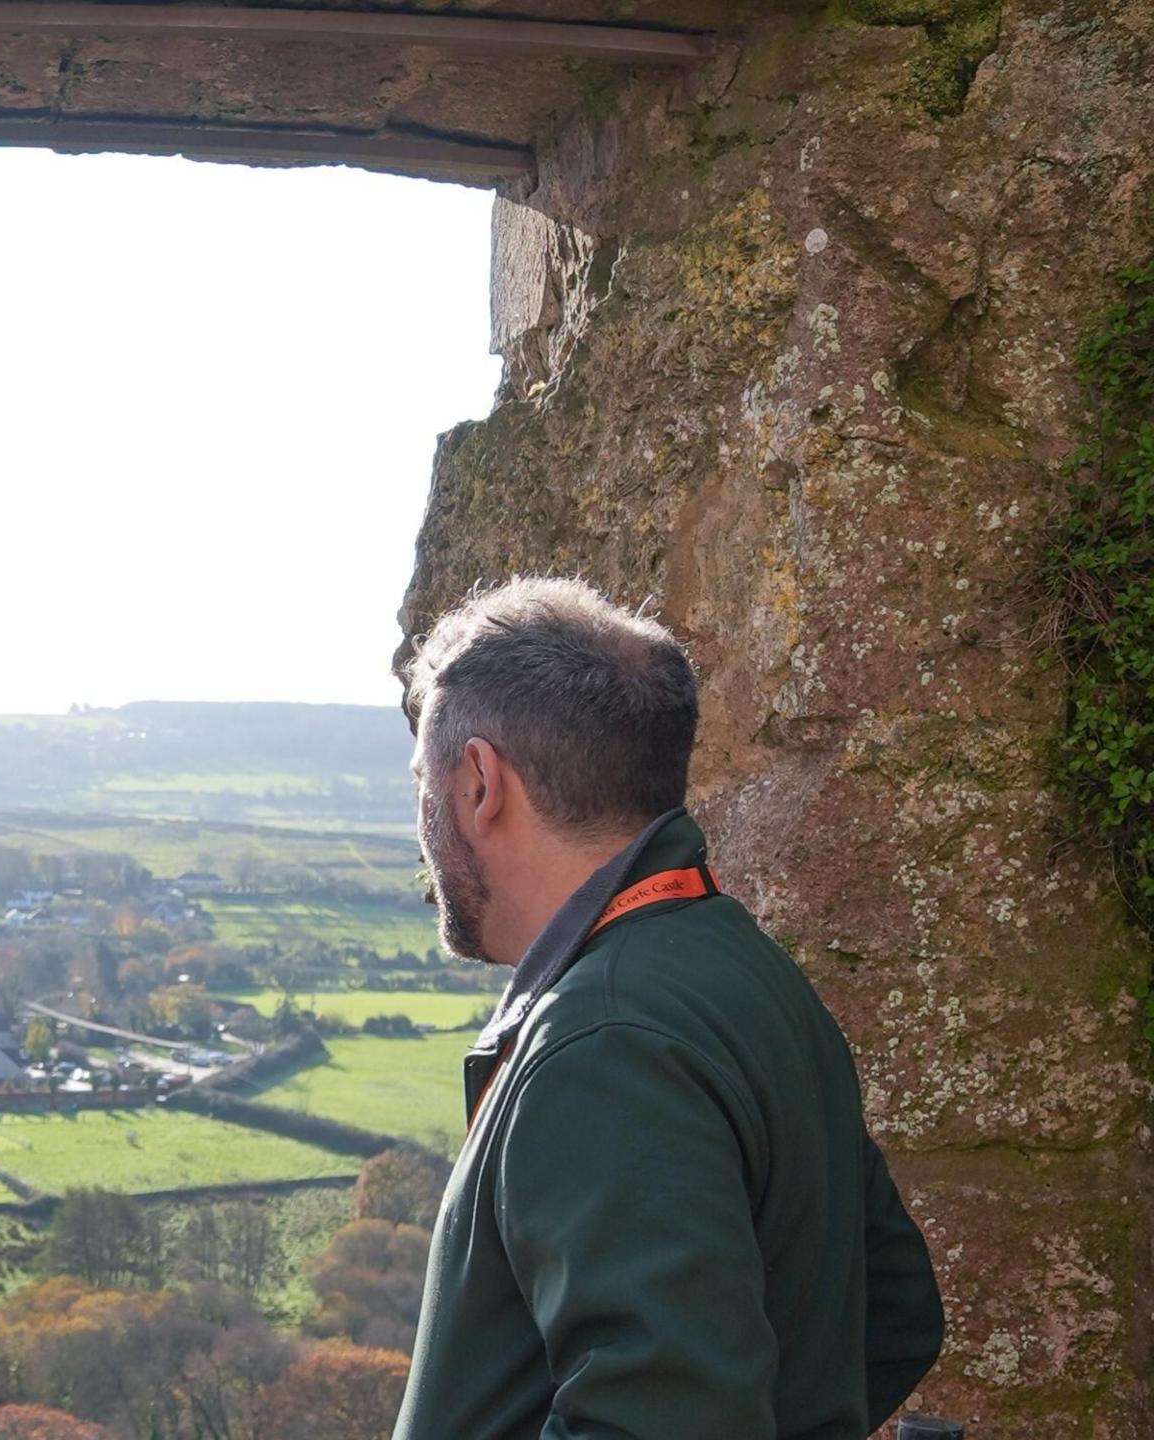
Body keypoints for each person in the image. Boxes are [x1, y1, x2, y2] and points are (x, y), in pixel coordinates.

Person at [391, 577, 945, 1440]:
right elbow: (895, 1311)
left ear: (479, 782)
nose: (420, 820)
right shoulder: (734, 966)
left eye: (422, 779)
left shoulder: (605, 1044)